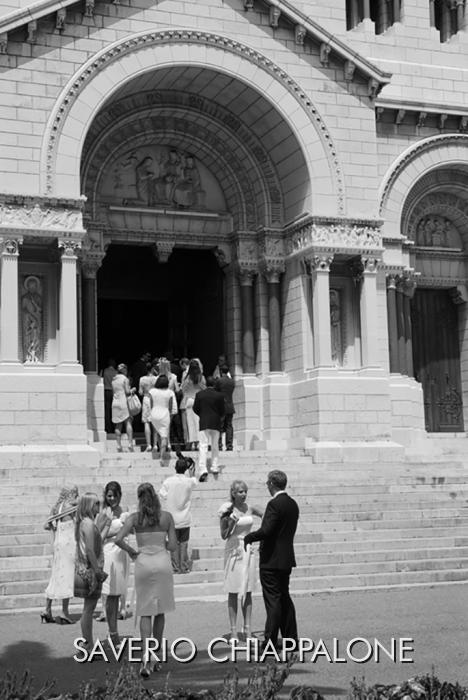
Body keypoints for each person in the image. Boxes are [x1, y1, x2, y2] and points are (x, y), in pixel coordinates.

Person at [115, 483, 176, 677]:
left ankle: (145, 657)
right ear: (155, 496)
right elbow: (173, 546)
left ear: (139, 498)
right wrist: (161, 541)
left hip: (143, 562)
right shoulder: (166, 517)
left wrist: (131, 551)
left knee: (145, 611)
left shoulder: (134, 518)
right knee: (160, 611)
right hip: (162, 561)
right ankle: (155, 655)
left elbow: (117, 539)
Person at [243, 470, 299, 652]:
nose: (267, 486)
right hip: (286, 558)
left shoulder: (274, 504)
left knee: (273, 601)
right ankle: (291, 639)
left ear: (273, 484)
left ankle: (270, 642)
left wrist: (250, 537)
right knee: (284, 598)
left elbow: (267, 530)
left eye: (268, 483)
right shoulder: (292, 504)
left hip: (272, 559)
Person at [218, 480, 262, 640]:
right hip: (233, 550)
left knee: (248, 590)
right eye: (240, 492)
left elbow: (267, 516)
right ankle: (233, 631)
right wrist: (231, 523)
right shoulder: (227, 509)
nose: (244, 494)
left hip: (248, 548)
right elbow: (224, 535)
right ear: (233, 493)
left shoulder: (250, 507)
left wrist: (262, 535)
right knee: (233, 590)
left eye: (245, 491)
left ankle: (248, 628)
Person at [95, 482, 130, 645]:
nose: (112, 498)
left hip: (122, 553)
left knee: (118, 593)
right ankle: (112, 631)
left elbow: (130, 530)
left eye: (115, 495)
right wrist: (116, 531)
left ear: (120, 495)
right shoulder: (103, 512)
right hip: (108, 552)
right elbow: (98, 535)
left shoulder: (124, 511)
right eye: (109, 495)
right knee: (110, 594)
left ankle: (114, 630)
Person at [74, 493, 108, 652]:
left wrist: (105, 525)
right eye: (96, 504)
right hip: (89, 570)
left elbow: (96, 542)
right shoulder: (87, 524)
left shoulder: (85, 523)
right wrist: (97, 570)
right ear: (88, 505)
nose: (98, 506)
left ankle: (88, 642)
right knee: (88, 609)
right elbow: (89, 549)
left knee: (88, 608)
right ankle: (88, 643)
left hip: (86, 568)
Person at [41, 486, 79, 624]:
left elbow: (47, 525)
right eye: (75, 493)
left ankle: (47, 609)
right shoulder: (72, 506)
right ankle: (64, 612)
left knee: (55, 576)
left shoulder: (57, 507)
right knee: (67, 577)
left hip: (58, 542)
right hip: (69, 543)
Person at [159, 452, 197, 573]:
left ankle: (175, 567)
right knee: (184, 544)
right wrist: (192, 471)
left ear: (175, 468)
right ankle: (184, 566)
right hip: (185, 518)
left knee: (173, 544)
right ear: (185, 469)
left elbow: (162, 494)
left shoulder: (168, 481)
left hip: (172, 518)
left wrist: (171, 498)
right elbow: (194, 480)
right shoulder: (189, 481)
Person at [193, 375, 225, 480]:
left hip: (204, 422)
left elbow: (195, 408)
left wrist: (202, 415)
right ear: (214, 384)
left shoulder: (199, 394)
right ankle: (214, 466)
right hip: (216, 422)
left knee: (203, 445)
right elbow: (222, 410)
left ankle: (203, 468)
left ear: (206, 383)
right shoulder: (219, 395)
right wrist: (218, 416)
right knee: (215, 445)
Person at [149, 374, 178, 466]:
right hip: (164, 413)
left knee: (157, 432)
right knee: (164, 436)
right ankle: (162, 456)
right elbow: (170, 406)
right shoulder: (170, 392)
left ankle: (157, 447)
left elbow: (151, 404)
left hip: (154, 413)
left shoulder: (152, 391)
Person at [180, 358, 206, 451]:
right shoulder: (201, 377)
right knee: (198, 422)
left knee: (190, 424)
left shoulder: (187, 378)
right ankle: (198, 443)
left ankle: (192, 443)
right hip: (198, 400)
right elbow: (204, 388)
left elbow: (183, 389)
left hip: (189, 400)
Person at [111, 363, 136, 452]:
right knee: (128, 422)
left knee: (118, 424)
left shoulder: (113, 380)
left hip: (115, 403)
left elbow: (113, 392)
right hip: (123, 402)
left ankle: (118, 445)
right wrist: (133, 390)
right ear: (125, 370)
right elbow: (127, 392)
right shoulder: (125, 379)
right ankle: (130, 443)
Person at [216, 364, 235, 451]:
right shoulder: (232, 381)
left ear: (221, 371)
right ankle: (229, 445)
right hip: (230, 406)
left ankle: (219, 445)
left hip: (221, 406)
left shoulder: (219, 381)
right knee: (229, 426)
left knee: (220, 426)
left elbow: (216, 391)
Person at [139, 363, 156, 451]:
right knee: (155, 421)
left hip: (146, 398)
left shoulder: (142, 379)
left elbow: (140, 392)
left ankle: (149, 444)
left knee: (146, 422)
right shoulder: (156, 378)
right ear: (152, 369)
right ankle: (155, 445)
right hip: (155, 399)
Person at [102, 358, 117, 434]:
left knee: (107, 410)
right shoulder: (116, 372)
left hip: (106, 391)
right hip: (114, 392)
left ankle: (108, 427)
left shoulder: (104, 371)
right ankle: (115, 426)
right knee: (114, 410)